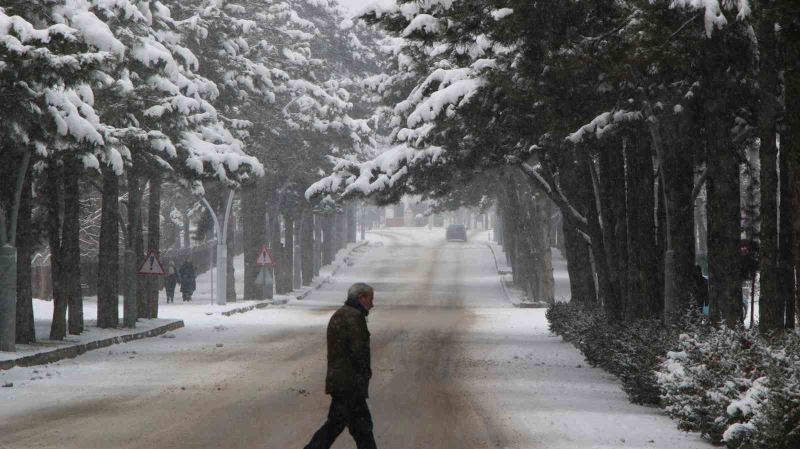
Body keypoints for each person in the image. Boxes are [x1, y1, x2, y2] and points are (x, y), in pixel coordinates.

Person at [304, 283, 377, 449]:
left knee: (360, 428)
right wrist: (364, 373)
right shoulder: (352, 318)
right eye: (370, 299)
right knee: (340, 427)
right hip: (349, 384)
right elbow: (358, 351)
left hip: (343, 382)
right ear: (361, 298)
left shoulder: (343, 315)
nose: (372, 304)